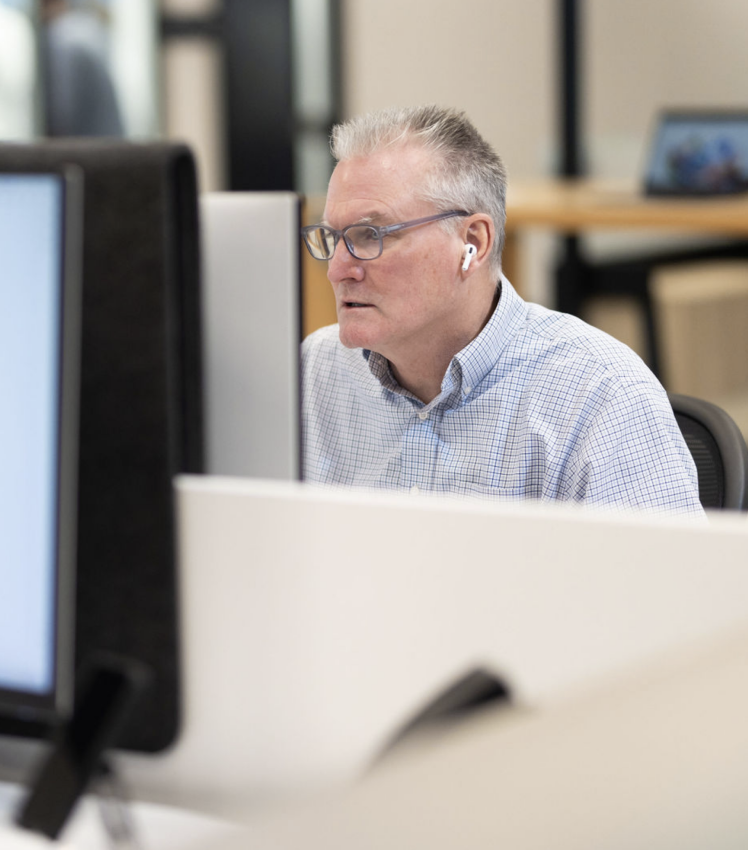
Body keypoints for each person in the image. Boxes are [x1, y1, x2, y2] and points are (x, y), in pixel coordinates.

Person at [301, 104, 704, 516]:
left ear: (472, 242)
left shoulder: (600, 396)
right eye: (332, 237)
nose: (336, 270)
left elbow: (668, 581)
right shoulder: (314, 372)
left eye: (369, 235)